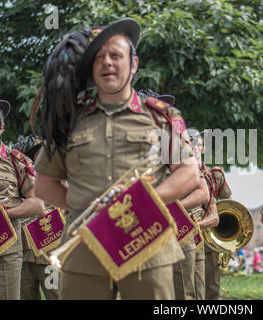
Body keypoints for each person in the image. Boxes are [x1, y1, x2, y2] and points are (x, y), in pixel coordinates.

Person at [33, 19, 205, 300]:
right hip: (83, 248)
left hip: (147, 245)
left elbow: (188, 173)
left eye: (116, 55)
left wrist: (138, 204)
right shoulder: (69, 119)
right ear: (91, 68)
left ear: (133, 65)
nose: (107, 62)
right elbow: (44, 184)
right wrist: (87, 209)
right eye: (99, 57)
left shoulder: (161, 116)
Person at [0, 100, 45, 299]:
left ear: (1, 128)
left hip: (5, 252)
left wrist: (2, 214)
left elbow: (38, 204)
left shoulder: (17, 161)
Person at [12, 135, 59, 300]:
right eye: (38, 152)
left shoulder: (58, 178)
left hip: (50, 254)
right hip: (24, 254)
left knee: (56, 295)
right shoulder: (18, 180)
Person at [190, 131, 232, 300]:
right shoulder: (175, 175)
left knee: (211, 287)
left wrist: (227, 237)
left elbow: (229, 206)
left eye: (198, 145)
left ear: (203, 149)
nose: (194, 148)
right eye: (190, 145)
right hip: (185, 235)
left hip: (209, 239)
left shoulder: (215, 175)